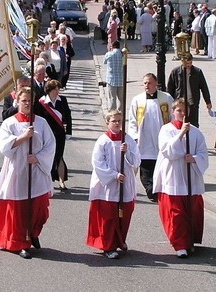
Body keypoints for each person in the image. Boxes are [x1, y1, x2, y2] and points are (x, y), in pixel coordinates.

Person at [0, 87, 56, 259]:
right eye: (24, 100)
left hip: (37, 169)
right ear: (18, 102)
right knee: (19, 209)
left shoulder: (41, 122)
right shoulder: (10, 123)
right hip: (17, 171)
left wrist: (38, 158)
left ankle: (33, 232)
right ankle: (21, 242)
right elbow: (4, 148)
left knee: (40, 208)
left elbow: (50, 145)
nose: (27, 103)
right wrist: (22, 138)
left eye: (30, 100)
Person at [153, 98, 209, 258]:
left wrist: (195, 158)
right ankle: (179, 244)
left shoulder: (196, 132)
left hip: (190, 174)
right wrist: (181, 134)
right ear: (173, 112)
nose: (182, 114)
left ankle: (189, 240)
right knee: (176, 212)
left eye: (185, 111)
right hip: (173, 175)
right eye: (179, 111)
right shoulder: (166, 130)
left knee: (190, 211)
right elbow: (167, 151)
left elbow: (203, 153)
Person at [87, 109, 141, 259]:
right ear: (107, 123)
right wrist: (114, 175)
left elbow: (136, 160)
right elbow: (98, 163)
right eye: (114, 121)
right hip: (108, 185)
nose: (117, 123)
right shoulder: (103, 141)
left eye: (119, 121)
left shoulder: (127, 139)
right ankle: (108, 246)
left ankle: (119, 240)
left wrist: (127, 151)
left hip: (125, 181)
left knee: (125, 212)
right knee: (109, 216)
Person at [128, 73, 174, 202]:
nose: (146, 86)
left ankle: (156, 188)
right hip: (144, 139)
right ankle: (150, 189)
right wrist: (134, 136)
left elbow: (172, 117)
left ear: (156, 83)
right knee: (145, 168)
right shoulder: (137, 100)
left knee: (159, 165)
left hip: (161, 137)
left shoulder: (166, 98)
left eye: (149, 83)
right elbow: (132, 120)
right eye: (144, 83)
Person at [35, 79, 72, 190]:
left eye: (58, 89)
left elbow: (68, 117)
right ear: (49, 90)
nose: (57, 91)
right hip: (46, 134)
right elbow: (38, 118)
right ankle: (48, 181)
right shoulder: (41, 102)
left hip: (60, 133)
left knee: (59, 156)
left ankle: (61, 181)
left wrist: (68, 131)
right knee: (48, 157)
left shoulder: (63, 100)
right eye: (55, 89)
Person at [166, 53, 212, 127]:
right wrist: (169, 102)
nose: (189, 65)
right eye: (187, 63)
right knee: (180, 123)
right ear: (182, 61)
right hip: (180, 102)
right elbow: (170, 88)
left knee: (193, 124)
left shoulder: (197, 72)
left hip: (192, 103)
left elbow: (204, 87)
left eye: (190, 63)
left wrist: (208, 101)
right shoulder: (175, 72)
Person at [103, 40, 123, 110]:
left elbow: (104, 62)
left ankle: (112, 113)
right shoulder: (122, 54)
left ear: (112, 46)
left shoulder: (109, 54)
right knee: (121, 98)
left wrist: (109, 51)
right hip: (120, 79)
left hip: (111, 79)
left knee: (112, 98)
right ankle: (120, 113)